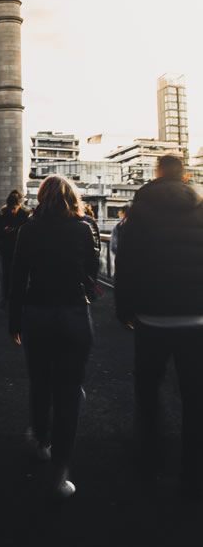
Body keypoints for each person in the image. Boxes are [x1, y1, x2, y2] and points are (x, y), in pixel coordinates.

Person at [114, 155, 203, 499]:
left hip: (151, 316)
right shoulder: (200, 208)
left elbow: (127, 265)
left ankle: (150, 460)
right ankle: (193, 474)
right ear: (185, 176)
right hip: (196, 318)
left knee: (149, 392)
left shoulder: (140, 210)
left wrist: (125, 310)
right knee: (195, 398)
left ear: (157, 174)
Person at [9, 175, 98, 500]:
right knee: (69, 394)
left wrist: (14, 322)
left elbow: (17, 278)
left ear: (42, 197)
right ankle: (61, 476)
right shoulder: (84, 229)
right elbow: (92, 269)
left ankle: (40, 441)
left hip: (37, 313)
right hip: (73, 314)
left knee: (40, 383)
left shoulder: (28, 230)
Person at [0, 190, 30, 308]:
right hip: (6, 249)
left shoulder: (26, 215)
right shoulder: (2, 214)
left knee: (19, 275)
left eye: (14, 207)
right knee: (5, 275)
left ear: (19, 205)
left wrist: (13, 230)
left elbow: (27, 231)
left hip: (20, 249)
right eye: (11, 207)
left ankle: (18, 299)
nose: (12, 210)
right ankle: (6, 298)